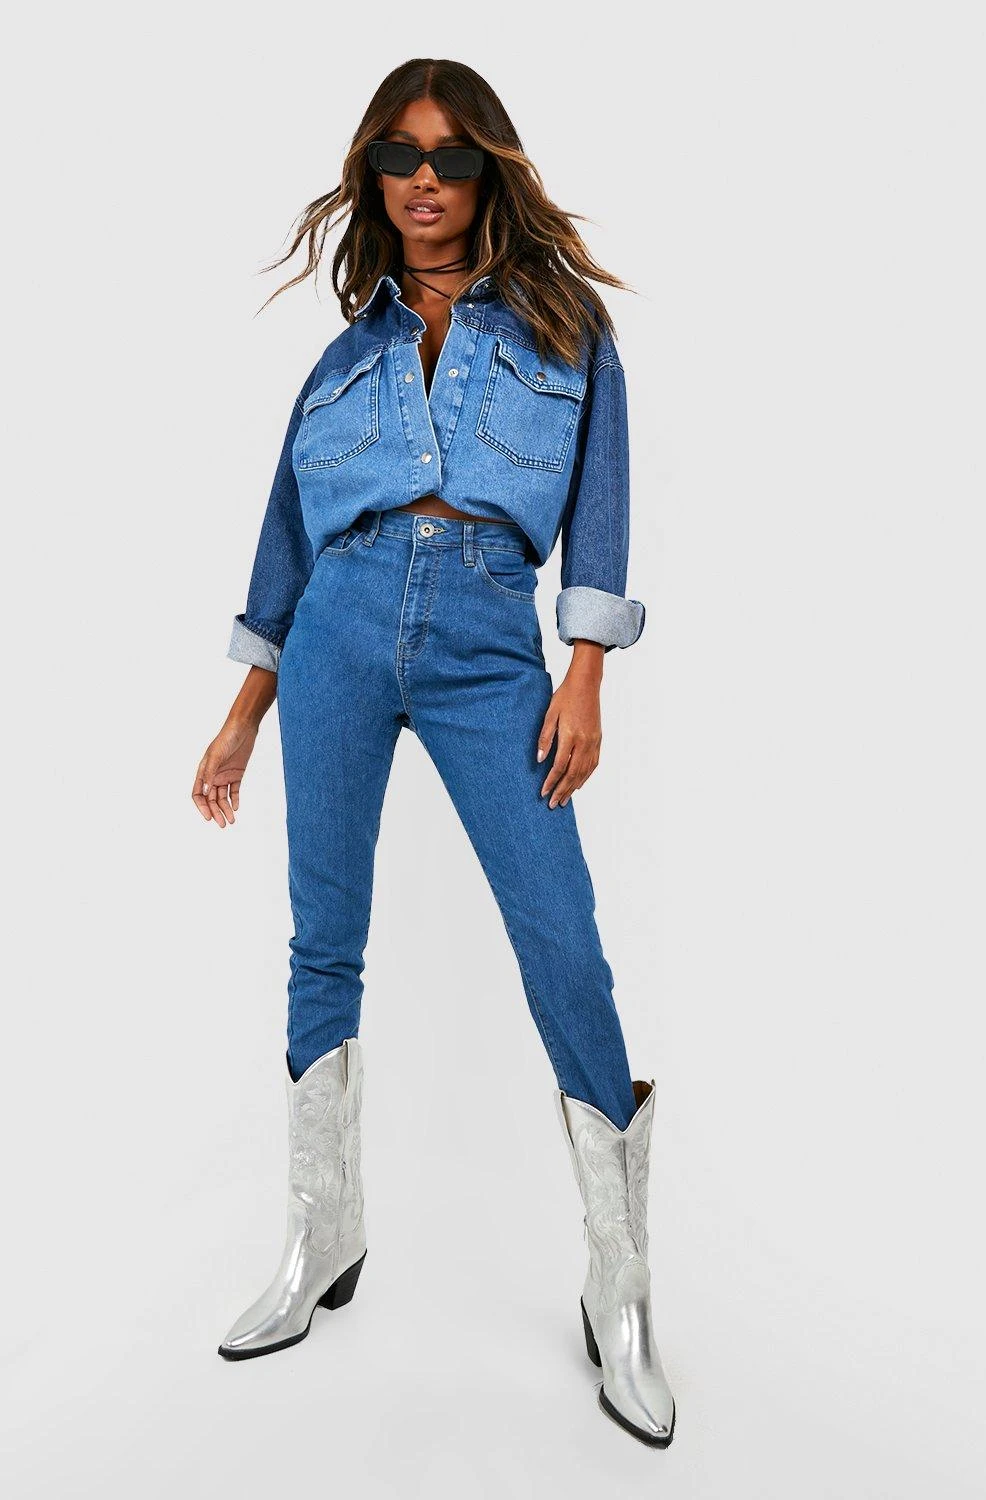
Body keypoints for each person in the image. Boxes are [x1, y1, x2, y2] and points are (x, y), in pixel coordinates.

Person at [192, 57, 676, 1448]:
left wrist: (586, 671)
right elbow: (285, 543)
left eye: (451, 157)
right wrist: (242, 715)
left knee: (561, 940)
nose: (423, 180)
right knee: (322, 939)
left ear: (487, 173)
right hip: (336, 635)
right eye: (399, 158)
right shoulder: (341, 358)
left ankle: (622, 1284)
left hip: (486, 637)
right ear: (373, 177)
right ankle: (322, 1234)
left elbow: (602, 505)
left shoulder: (565, 325)